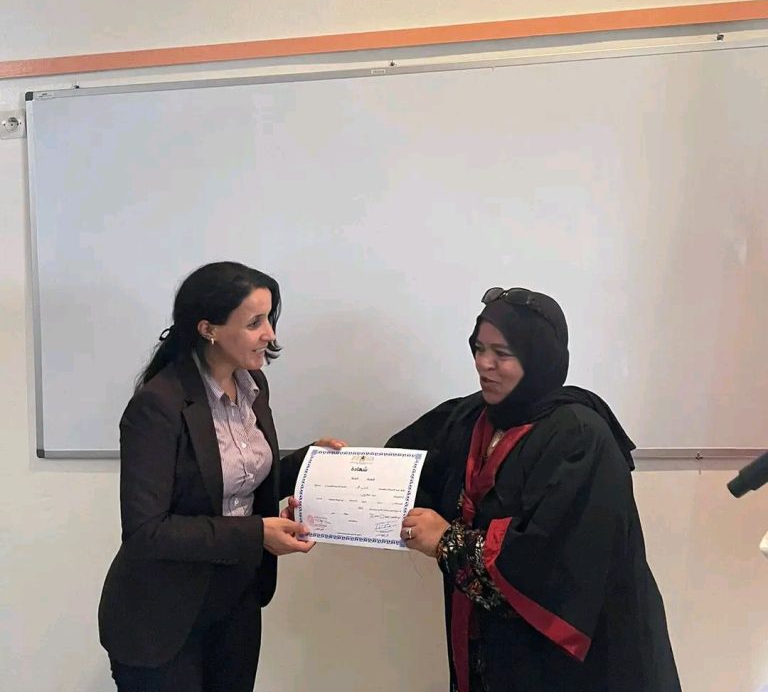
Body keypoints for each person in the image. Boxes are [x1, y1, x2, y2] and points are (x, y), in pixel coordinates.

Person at [388, 286, 681, 692]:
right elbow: (398, 471)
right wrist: (323, 472)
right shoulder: (471, 417)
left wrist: (446, 542)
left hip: (568, 665)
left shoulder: (579, 438)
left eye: (502, 353)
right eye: (479, 348)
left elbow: (545, 563)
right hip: (489, 650)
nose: (483, 364)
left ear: (539, 358)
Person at [99, 262, 344, 692]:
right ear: (208, 329)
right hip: (162, 616)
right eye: (254, 323)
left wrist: (312, 463)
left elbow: (241, 479)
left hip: (236, 601)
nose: (270, 334)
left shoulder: (253, 387)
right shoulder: (158, 405)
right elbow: (147, 532)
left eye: (270, 318)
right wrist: (257, 533)